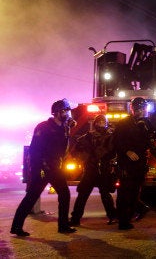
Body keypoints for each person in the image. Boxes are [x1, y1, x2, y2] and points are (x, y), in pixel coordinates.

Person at [10, 99, 77, 236]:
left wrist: (69, 129)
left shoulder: (64, 128)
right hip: (42, 168)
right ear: (58, 112)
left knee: (64, 194)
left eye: (68, 111)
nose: (68, 114)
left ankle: (63, 226)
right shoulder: (43, 127)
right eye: (65, 111)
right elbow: (35, 150)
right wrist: (39, 168)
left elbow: (64, 149)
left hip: (55, 168)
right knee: (31, 197)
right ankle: (16, 227)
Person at [112, 97, 156, 230]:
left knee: (135, 193)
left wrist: (147, 132)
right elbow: (116, 142)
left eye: (142, 108)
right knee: (124, 193)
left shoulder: (147, 123)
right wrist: (127, 151)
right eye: (138, 108)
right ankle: (123, 221)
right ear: (132, 109)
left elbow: (153, 140)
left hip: (140, 163)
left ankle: (130, 216)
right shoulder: (124, 123)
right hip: (126, 163)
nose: (140, 111)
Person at [69, 114, 117, 226]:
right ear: (95, 123)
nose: (100, 123)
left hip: (103, 169)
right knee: (83, 194)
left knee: (105, 195)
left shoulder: (110, 136)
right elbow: (76, 150)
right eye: (98, 122)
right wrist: (85, 157)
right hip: (90, 169)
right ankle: (75, 218)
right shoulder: (88, 136)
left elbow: (114, 151)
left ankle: (112, 216)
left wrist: (109, 160)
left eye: (102, 121)